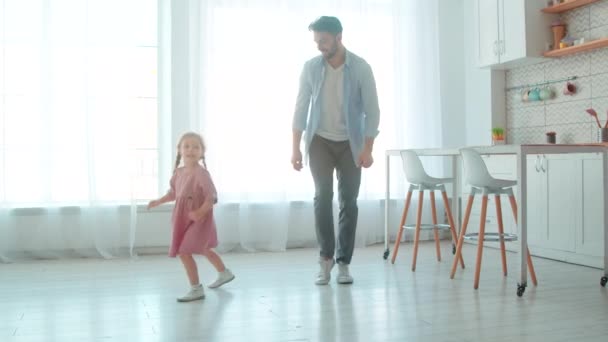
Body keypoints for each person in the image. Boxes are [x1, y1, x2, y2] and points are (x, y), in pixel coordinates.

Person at [291, 16, 380, 285]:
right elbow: (300, 109)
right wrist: (295, 148)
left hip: (350, 143)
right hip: (319, 140)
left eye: (324, 41)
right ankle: (325, 259)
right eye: (316, 41)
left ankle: (343, 263)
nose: (319, 46)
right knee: (322, 196)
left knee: (349, 202)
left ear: (339, 37)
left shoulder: (361, 67)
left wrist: (368, 149)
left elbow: (373, 112)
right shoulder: (310, 68)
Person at [148, 132, 234, 302]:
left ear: (202, 152)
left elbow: (212, 196)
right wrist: (158, 201)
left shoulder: (202, 174)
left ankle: (196, 288)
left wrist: (200, 212)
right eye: (186, 146)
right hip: (183, 218)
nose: (191, 150)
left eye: (196, 147)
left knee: (184, 251)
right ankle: (224, 273)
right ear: (179, 150)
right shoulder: (179, 173)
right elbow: (173, 193)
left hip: (199, 219)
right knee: (203, 248)